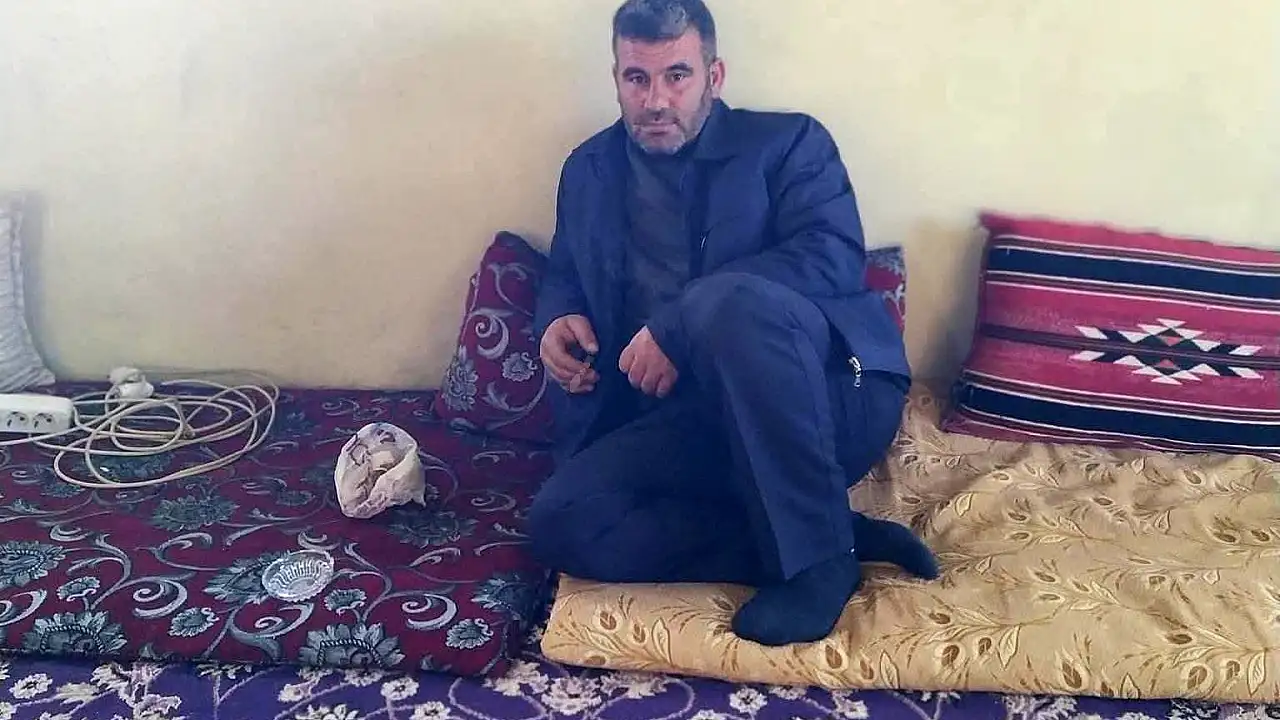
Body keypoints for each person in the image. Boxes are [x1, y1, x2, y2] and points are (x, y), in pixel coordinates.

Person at [527, 0, 938, 648]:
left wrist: (678, 321)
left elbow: (831, 257)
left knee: (732, 302)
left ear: (714, 77)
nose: (656, 100)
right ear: (616, 79)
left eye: (677, 76)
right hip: (690, 418)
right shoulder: (589, 169)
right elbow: (566, 271)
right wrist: (557, 318)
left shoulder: (790, 143)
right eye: (637, 78)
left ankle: (816, 567)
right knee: (562, 521)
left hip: (823, 398)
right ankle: (832, 536)